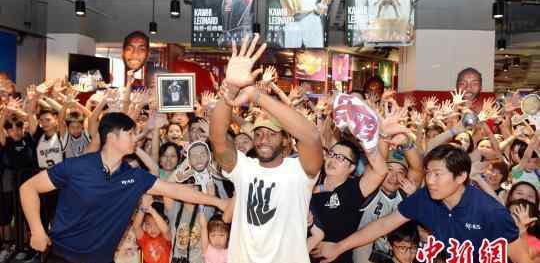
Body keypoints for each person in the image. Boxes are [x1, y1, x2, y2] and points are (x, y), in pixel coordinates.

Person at [19, 112, 227, 263]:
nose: (135, 138)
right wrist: (37, 230)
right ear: (111, 137)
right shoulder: (77, 166)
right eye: (130, 133)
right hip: (62, 256)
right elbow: (28, 188)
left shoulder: (134, 176)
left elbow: (175, 190)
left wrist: (218, 202)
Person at [209, 34, 324, 262]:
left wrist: (257, 96)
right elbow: (218, 139)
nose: (263, 139)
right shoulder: (245, 169)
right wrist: (230, 89)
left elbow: (311, 137)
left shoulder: (300, 172)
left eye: (272, 134)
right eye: (259, 133)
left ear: (285, 140)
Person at [314, 144, 530, 263]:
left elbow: (522, 260)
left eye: (438, 174)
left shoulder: (491, 213)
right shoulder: (425, 197)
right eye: (428, 173)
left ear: (461, 176)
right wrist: (339, 247)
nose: (430, 181)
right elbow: (383, 225)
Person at [310, 140, 388, 263]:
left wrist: (375, 138)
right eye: (331, 154)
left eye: (341, 158)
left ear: (351, 167)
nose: (333, 160)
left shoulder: (353, 189)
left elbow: (380, 171)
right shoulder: (311, 182)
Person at [133, 195, 171, 263]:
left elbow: (165, 230)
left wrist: (153, 212)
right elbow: (136, 227)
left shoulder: (166, 237)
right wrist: (143, 207)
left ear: (165, 222)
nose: (152, 228)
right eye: (148, 224)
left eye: (156, 224)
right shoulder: (144, 238)